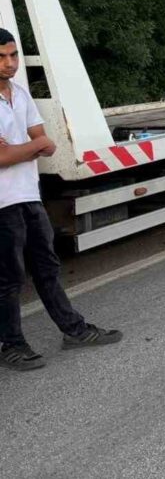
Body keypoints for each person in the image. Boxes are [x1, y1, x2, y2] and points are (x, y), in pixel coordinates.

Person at [0, 29, 122, 372]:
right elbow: (4, 156)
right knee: (9, 277)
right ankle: (12, 344)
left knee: (47, 268)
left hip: (28, 195)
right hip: (2, 203)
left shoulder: (20, 95)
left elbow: (45, 142)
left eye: (13, 55)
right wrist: (28, 148)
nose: (9, 63)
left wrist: (22, 148)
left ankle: (74, 330)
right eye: (1, 57)